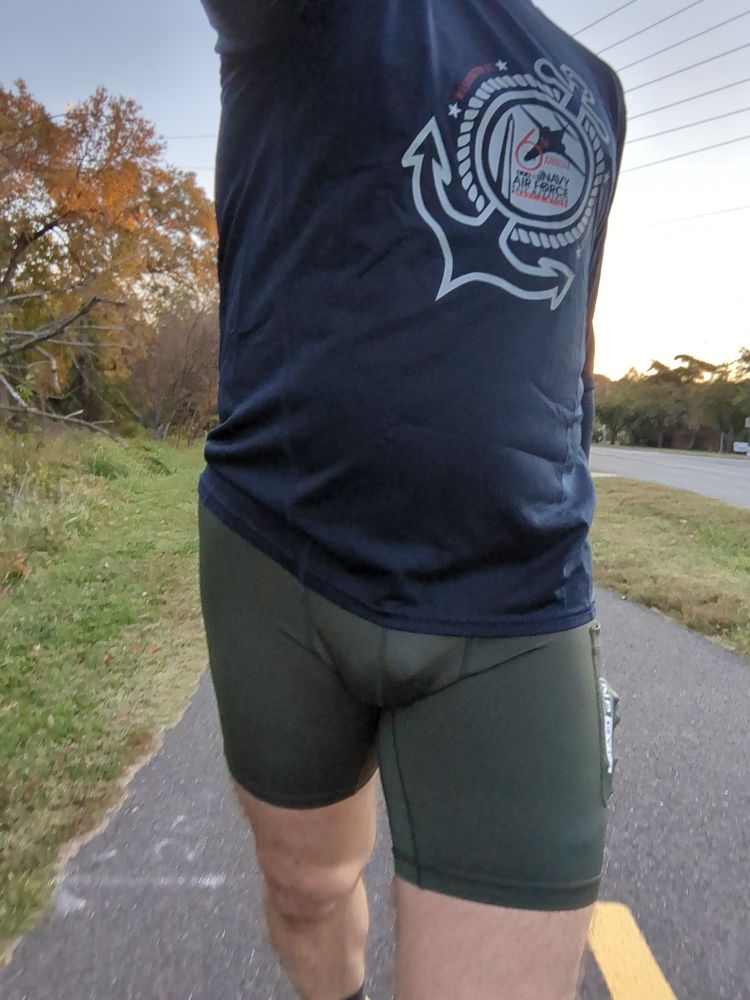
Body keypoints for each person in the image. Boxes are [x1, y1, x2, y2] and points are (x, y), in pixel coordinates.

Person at [196, 1, 626, 997]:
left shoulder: (596, 90)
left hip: (518, 594)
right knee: (307, 888)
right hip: (281, 558)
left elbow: (569, 320)